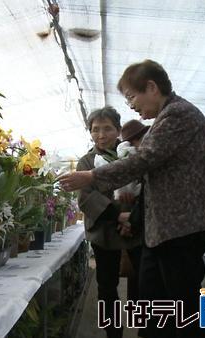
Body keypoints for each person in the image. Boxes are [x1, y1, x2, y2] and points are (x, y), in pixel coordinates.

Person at [59, 60, 205, 338]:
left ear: (151, 87)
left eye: (131, 97)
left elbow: (144, 161)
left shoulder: (177, 115)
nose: (131, 106)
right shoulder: (167, 117)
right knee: (153, 300)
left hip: (183, 227)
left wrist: (91, 176)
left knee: (182, 307)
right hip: (164, 229)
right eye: (95, 130)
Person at [76, 106, 142, 338]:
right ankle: (113, 333)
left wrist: (132, 216)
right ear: (90, 132)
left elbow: (145, 186)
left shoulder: (131, 155)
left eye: (107, 129)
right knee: (106, 285)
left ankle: (143, 328)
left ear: (118, 130)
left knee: (141, 282)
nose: (101, 135)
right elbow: (86, 198)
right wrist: (118, 215)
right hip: (104, 231)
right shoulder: (86, 162)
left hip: (135, 228)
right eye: (95, 130)